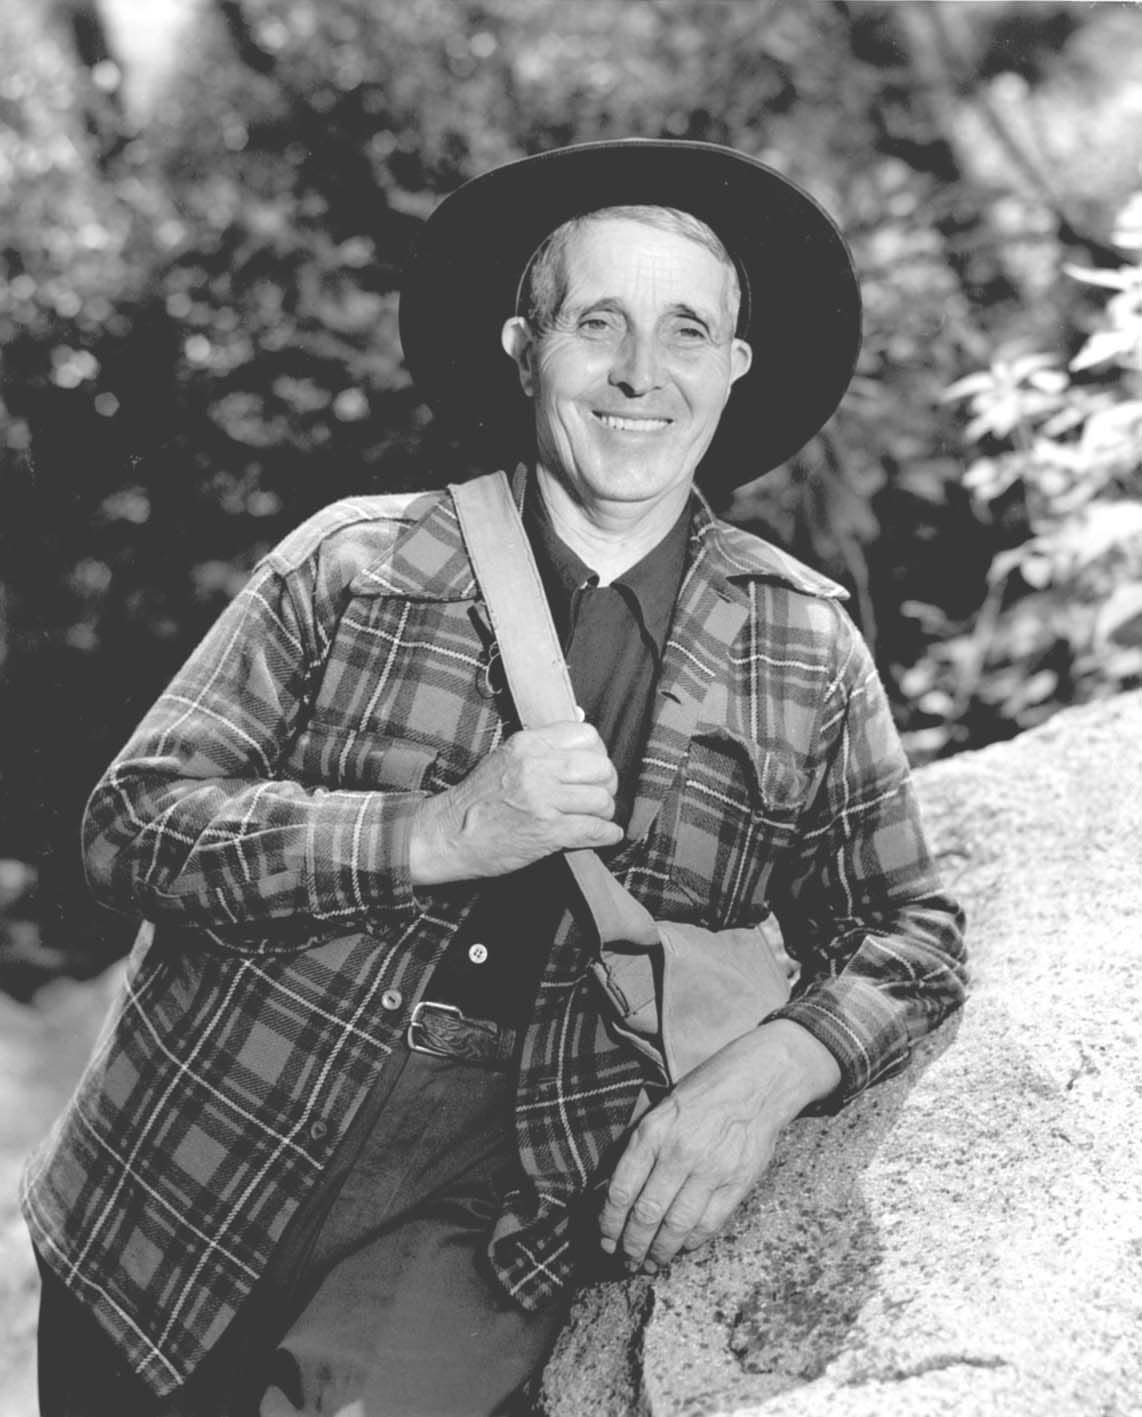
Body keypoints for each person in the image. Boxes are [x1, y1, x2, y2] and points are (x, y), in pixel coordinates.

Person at [22, 139, 967, 1416]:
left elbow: (906, 932)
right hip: (190, 1168)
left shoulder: (803, 646)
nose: (642, 372)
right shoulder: (355, 562)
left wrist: (771, 1073)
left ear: (733, 371)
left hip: (497, 1208)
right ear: (526, 350)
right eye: (599, 323)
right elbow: (130, 828)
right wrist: (438, 831)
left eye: (686, 330)